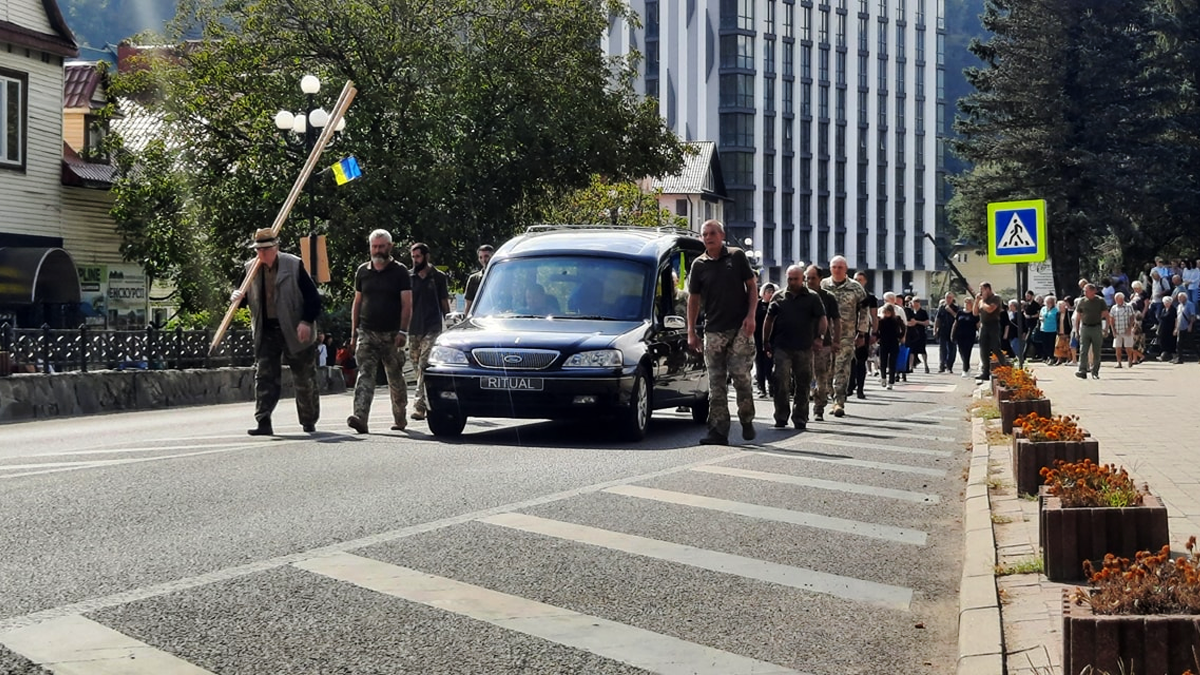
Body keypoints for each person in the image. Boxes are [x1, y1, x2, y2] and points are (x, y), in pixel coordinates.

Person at [232, 227, 322, 436]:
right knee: (264, 376)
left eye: (265, 249)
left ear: (276, 247)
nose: (261, 254)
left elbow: (313, 298)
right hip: (267, 329)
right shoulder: (250, 269)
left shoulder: (294, 264)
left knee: (304, 377)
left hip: (294, 328)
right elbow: (243, 298)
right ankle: (263, 420)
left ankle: (308, 420)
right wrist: (236, 297)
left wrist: (306, 322)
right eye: (258, 250)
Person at [687, 219, 758, 445]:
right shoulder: (699, 265)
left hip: (739, 328)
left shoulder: (736, 256)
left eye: (712, 233)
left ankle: (746, 418)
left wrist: (751, 315)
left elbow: (752, 286)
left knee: (740, 376)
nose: (708, 237)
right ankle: (717, 431)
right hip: (713, 330)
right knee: (716, 382)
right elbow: (694, 299)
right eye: (705, 234)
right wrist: (691, 331)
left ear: (722, 235)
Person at [347, 229, 413, 434]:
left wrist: (403, 331)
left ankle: (400, 416)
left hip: (392, 334)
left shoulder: (400, 272)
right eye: (374, 246)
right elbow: (357, 303)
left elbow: (407, 303)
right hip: (367, 332)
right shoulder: (362, 272)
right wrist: (353, 333)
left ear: (390, 247)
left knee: (395, 377)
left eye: (381, 246)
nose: (377, 250)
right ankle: (360, 417)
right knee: (365, 375)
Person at [763, 265, 826, 431]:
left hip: (804, 347)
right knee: (781, 380)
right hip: (782, 346)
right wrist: (765, 341)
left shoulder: (812, 298)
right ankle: (781, 415)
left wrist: (819, 338)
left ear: (802, 279)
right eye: (789, 279)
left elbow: (822, 319)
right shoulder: (778, 297)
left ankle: (800, 417)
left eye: (795, 279)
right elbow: (769, 320)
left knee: (803, 382)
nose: (792, 282)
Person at [820, 256, 868, 417]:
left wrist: (862, 332)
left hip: (846, 336)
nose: (837, 270)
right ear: (830, 268)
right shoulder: (823, 285)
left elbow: (864, 311)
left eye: (840, 267)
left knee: (842, 368)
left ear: (846, 269)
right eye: (834, 267)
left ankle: (838, 401)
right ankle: (828, 394)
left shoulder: (855, 288)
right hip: (825, 335)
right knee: (826, 368)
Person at [408, 242, 451, 421]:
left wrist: (449, 324)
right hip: (413, 328)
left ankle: (419, 406)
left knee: (424, 366)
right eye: (413, 257)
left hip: (432, 327)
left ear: (426, 256)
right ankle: (427, 399)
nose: (415, 260)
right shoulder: (408, 277)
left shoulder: (438, 277)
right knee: (416, 365)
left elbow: (444, 303)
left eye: (418, 256)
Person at [807, 266, 841, 417]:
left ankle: (819, 407)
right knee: (804, 376)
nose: (809, 281)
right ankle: (801, 409)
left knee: (821, 376)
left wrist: (836, 341)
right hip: (802, 344)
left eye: (813, 278)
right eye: (807, 277)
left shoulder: (828, 297)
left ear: (820, 279)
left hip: (823, 344)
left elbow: (837, 320)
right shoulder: (801, 295)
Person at [848, 271, 878, 398]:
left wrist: (875, 333)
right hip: (848, 331)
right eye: (855, 279)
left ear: (865, 281)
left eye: (860, 279)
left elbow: (874, 316)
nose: (858, 282)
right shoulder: (849, 295)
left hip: (863, 331)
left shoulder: (870, 297)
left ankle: (860, 388)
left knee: (861, 360)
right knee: (849, 361)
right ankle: (849, 387)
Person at [1073, 283, 1109, 380]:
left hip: (1096, 327)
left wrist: (1106, 328)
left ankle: (1095, 371)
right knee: (1083, 350)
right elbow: (1078, 316)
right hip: (1085, 327)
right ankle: (1082, 370)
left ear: (1093, 291)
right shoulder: (1082, 301)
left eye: (1086, 290)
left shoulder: (1100, 301)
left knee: (1096, 351)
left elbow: (1106, 314)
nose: (1084, 292)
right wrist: (1076, 330)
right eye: (1084, 291)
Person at [973, 282, 1008, 381]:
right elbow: (975, 313)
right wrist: (976, 301)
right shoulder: (981, 300)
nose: (980, 292)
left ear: (988, 289)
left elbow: (990, 309)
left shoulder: (996, 298)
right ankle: (985, 372)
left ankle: (1005, 369)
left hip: (993, 325)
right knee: (983, 350)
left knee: (995, 348)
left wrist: (982, 301)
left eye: (982, 289)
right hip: (984, 325)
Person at [753, 283, 778, 398]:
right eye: (768, 291)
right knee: (759, 364)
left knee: (769, 364)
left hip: (772, 339)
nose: (770, 294)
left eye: (772, 292)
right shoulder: (757, 305)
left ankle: (772, 386)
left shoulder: (776, 305)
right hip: (757, 338)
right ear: (763, 293)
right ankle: (761, 387)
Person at [875, 304, 906, 390]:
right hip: (883, 342)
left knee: (892, 362)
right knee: (883, 361)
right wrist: (877, 337)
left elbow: (903, 328)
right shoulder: (881, 320)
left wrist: (900, 336)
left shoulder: (897, 319)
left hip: (894, 342)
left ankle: (891, 381)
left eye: (888, 312)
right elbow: (877, 330)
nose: (886, 314)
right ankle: (883, 377)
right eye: (885, 312)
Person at [1107, 292, 1136, 369]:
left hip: (1126, 329)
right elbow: (1111, 319)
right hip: (1118, 329)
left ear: (1122, 299)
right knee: (1117, 347)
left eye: (1118, 299)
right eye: (1115, 299)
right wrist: (1113, 330)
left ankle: (1130, 358)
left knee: (1128, 347)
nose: (1116, 300)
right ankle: (1119, 362)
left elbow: (1132, 317)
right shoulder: (1113, 308)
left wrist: (1130, 328)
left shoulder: (1128, 306)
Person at [463, 244, 494, 315]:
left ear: (493, 257)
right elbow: (468, 304)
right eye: (480, 257)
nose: (484, 260)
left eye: (486, 256)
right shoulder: (474, 279)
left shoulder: (501, 276)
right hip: (479, 317)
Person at [954, 297, 980, 378]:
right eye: (965, 302)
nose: (966, 304)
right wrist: (953, 333)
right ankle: (967, 366)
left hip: (970, 335)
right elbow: (955, 323)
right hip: (960, 335)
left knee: (967, 352)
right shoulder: (960, 313)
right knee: (961, 351)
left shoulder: (974, 314)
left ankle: (965, 370)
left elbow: (978, 325)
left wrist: (979, 334)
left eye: (968, 302)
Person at [933, 292, 959, 373]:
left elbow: (958, 318)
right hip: (943, 331)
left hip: (952, 331)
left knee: (952, 349)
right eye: (947, 297)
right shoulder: (941, 307)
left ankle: (949, 366)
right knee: (942, 349)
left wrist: (951, 311)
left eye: (950, 298)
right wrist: (935, 329)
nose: (948, 299)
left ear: (952, 298)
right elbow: (937, 319)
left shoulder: (956, 308)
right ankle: (942, 365)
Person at [906, 298, 930, 374]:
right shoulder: (910, 312)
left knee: (922, 350)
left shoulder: (923, 312)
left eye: (917, 302)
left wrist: (917, 322)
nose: (915, 304)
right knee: (912, 351)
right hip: (912, 334)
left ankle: (926, 365)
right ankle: (911, 366)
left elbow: (927, 323)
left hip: (921, 333)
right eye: (914, 302)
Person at [1173, 291, 1195, 364]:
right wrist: (1176, 328)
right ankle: (1180, 358)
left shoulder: (1190, 304)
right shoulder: (1179, 306)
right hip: (1180, 327)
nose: (1179, 299)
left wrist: (1190, 325)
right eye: (1178, 298)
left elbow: (1192, 316)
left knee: (1191, 343)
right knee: (1179, 344)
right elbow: (1177, 317)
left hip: (1187, 326)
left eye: (1180, 298)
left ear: (1185, 297)